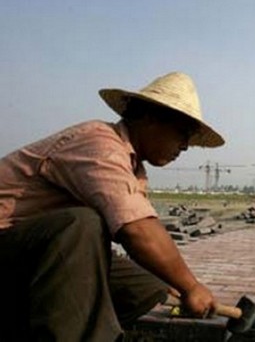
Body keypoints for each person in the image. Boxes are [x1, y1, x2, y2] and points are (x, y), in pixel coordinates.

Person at [0, 71, 225, 341]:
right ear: (150, 117)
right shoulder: (100, 144)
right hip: (8, 245)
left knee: (150, 288)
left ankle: (38, 320)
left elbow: (139, 230)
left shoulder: (134, 168)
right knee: (81, 223)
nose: (186, 147)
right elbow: (137, 230)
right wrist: (191, 286)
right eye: (182, 133)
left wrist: (177, 283)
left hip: (34, 255)